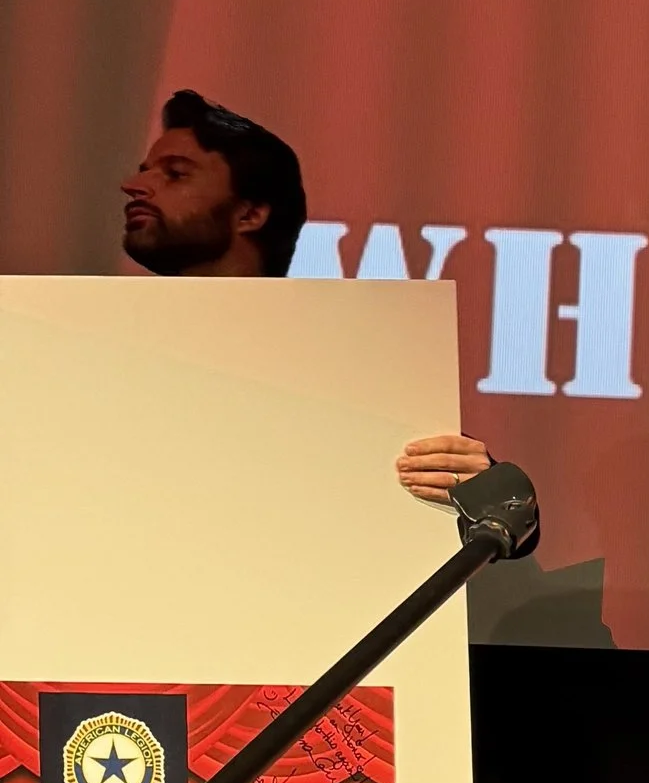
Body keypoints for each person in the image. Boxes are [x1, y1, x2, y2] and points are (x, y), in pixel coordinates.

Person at [120, 89, 491, 503]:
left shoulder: (354, 370)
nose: (132, 186)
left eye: (174, 174)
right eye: (144, 171)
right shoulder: (100, 351)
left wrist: (485, 492)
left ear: (250, 214)